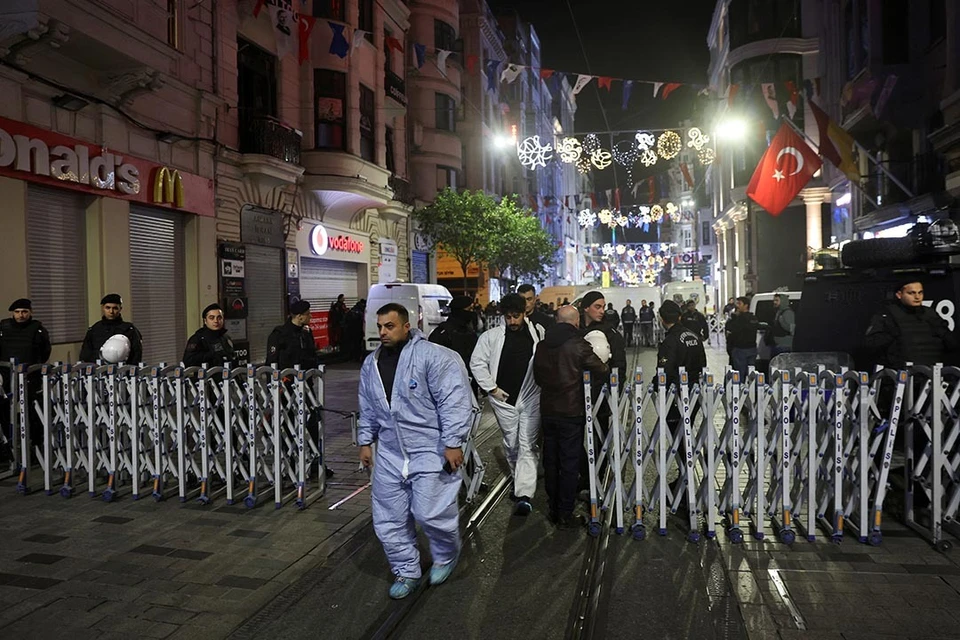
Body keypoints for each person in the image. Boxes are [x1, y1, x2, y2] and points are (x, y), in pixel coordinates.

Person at [357, 303, 473, 599]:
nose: (383, 332)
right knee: (388, 517)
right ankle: (406, 570)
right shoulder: (371, 364)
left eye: (389, 326)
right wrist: (365, 441)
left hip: (429, 448)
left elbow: (453, 400)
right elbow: (367, 405)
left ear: (407, 326)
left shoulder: (433, 357)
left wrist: (452, 442)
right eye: (380, 326)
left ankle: (446, 555)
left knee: (430, 512)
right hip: (390, 451)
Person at [533, 305, 608, 528]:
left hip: (548, 410)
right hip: (571, 411)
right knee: (569, 462)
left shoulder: (542, 346)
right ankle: (565, 512)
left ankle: (553, 508)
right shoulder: (577, 344)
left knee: (551, 461)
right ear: (576, 322)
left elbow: (538, 378)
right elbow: (600, 369)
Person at [470, 293, 544, 516]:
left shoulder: (538, 333)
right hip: (503, 400)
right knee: (512, 445)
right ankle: (519, 479)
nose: (512, 321)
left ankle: (523, 494)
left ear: (524, 313)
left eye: (516, 316)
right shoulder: (490, 337)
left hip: (531, 396)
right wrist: (492, 389)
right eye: (509, 317)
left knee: (528, 445)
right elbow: (477, 363)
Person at [656, 300, 707, 506]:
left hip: (676, 396)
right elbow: (703, 363)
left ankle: (684, 484)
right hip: (694, 392)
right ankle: (684, 480)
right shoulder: (693, 336)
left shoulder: (671, 341)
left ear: (661, 319)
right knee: (685, 434)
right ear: (678, 316)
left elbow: (664, 373)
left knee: (678, 438)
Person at [864, 280, 957, 368]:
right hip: (901, 375)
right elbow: (871, 344)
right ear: (899, 295)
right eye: (911, 293)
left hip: (932, 372)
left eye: (920, 292)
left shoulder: (930, 314)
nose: (917, 297)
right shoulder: (888, 314)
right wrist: (893, 334)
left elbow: (951, 344)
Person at [0, 298, 51, 458]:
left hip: (30, 376)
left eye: (24, 312)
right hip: (6, 376)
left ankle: (35, 447)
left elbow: (44, 352)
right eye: (17, 312)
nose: (20, 315)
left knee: (33, 413)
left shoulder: (38, 330)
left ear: (30, 313)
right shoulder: (3, 328)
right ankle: (6, 447)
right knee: (4, 411)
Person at [430, 296, 479, 392]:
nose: (471, 313)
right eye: (469, 309)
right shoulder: (443, 332)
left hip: (469, 383)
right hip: (449, 384)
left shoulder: (469, 332)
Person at [79, 294, 143, 364]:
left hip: (123, 370)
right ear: (103, 308)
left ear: (120, 309)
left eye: (115, 308)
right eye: (108, 308)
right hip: (98, 371)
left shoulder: (129, 330)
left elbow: (136, 355)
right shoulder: (94, 329)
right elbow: (85, 355)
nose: (111, 311)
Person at [266, 300, 319, 370]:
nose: (311, 316)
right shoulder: (279, 334)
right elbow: (272, 360)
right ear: (300, 317)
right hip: (287, 378)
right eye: (308, 314)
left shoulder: (306, 332)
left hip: (305, 377)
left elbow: (312, 354)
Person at [182, 303, 235, 368]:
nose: (216, 321)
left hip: (227, 374)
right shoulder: (198, 339)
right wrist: (211, 354)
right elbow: (188, 361)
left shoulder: (225, 337)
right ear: (205, 321)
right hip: (207, 376)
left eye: (219, 318)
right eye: (211, 318)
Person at [724, 297, 758, 379]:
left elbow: (732, 330)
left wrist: (733, 318)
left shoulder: (739, 319)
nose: (737, 306)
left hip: (740, 349)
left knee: (739, 375)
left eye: (739, 303)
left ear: (746, 305)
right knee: (751, 374)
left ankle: (739, 390)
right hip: (752, 349)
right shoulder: (753, 318)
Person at [766, 293, 795, 357]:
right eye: (774, 300)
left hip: (784, 346)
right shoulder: (778, 311)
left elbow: (791, 329)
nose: (774, 302)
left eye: (777, 300)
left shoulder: (788, 312)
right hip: (777, 345)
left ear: (782, 301)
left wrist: (782, 322)